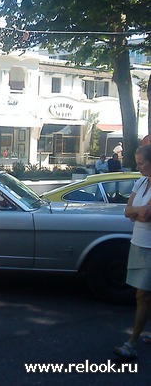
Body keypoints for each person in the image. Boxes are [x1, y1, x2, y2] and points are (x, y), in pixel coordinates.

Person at [113, 144, 151, 360]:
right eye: (137, 164)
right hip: (139, 241)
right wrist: (138, 211)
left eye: (142, 163)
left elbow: (146, 216)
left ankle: (132, 343)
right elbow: (128, 212)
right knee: (146, 293)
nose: (138, 168)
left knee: (142, 295)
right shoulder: (141, 182)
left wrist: (137, 212)